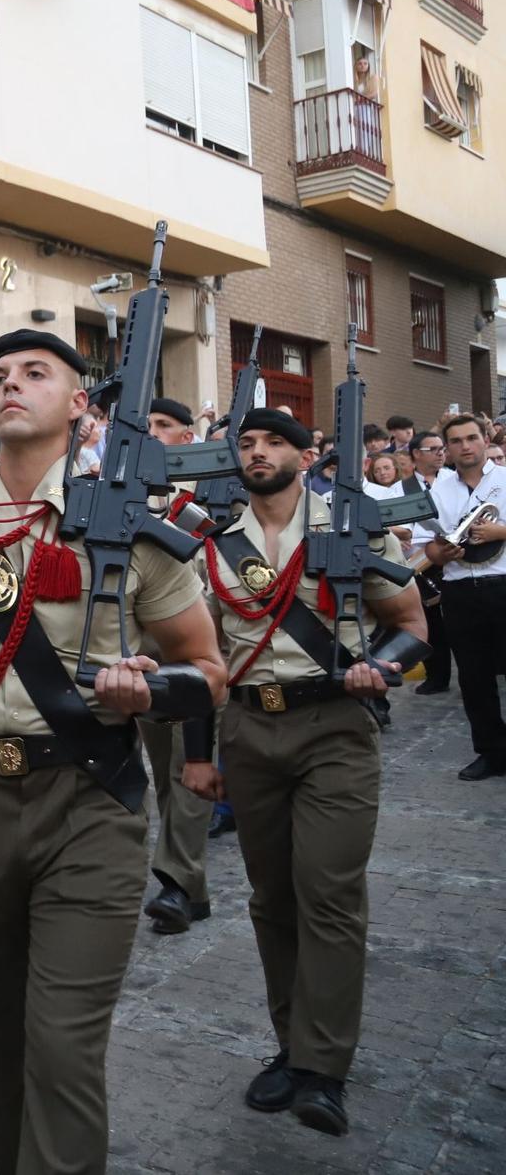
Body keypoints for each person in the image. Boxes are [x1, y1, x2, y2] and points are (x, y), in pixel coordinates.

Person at [0, 330, 227, 1175]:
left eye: (36, 373)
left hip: (89, 801)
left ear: (81, 406)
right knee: (1, 1043)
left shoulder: (126, 528)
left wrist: (153, 692)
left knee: (62, 1047)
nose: (11, 384)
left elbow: (211, 670)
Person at [202, 408, 426, 1136]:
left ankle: (323, 1067)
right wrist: (203, 754)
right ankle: (291, 1045)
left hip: (334, 723)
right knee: (273, 899)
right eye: (247, 442)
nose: (257, 451)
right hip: (249, 726)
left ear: (305, 454)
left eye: (272, 442)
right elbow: (205, 660)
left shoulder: (353, 522)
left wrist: (381, 668)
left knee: (327, 893)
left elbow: (412, 626)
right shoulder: (215, 542)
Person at [137, 398, 216, 937]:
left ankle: (176, 885)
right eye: (146, 427)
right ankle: (193, 886)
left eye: (164, 427)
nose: (152, 434)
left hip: (199, 639)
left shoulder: (213, 491)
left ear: (189, 439)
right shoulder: (126, 492)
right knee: (165, 770)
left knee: (189, 765)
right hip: (145, 645)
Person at [419, 412, 506, 781]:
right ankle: (491, 753)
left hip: (502, 583)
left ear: (486, 440)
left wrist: (499, 531)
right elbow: (429, 550)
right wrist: (442, 554)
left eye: (471, 438)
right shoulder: (438, 490)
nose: (465, 446)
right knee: (473, 676)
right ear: (448, 449)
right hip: (459, 590)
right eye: (456, 441)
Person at [404, 431, 454, 695]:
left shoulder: (454, 481)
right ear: (415, 454)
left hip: (454, 554)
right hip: (419, 561)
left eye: (442, 448)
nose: (440, 453)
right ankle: (438, 675)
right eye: (432, 449)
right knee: (431, 621)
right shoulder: (401, 488)